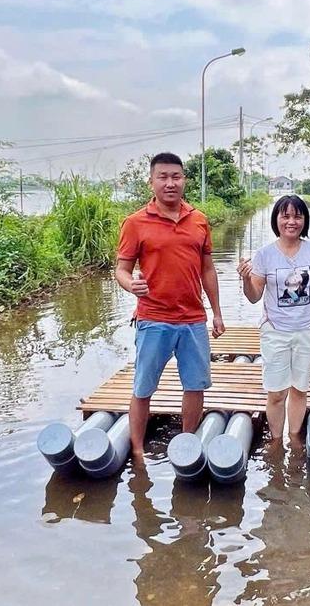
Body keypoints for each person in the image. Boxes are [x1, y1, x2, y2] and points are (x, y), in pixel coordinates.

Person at [115, 152, 225, 461]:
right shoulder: (135, 223)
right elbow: (121, 269)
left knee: (195, 385)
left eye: (176, 176)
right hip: (153, 319)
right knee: (143, 387)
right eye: (162, 177)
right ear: (151, 182)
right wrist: (129, 284)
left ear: (184, 180)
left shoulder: (199, 220)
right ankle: (136, 452)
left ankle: (187, 443)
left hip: (193, 319)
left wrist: (216, 313)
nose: (170, 183)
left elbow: (207, 270)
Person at [237, 195, 310, 441]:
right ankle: (275, 440)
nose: (291, 221)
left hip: (307, 331)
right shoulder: (264, 255)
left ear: (304, 220)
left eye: (297, 216)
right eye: (286, 216)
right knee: (276, 393)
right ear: (276, 220)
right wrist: (246, 279)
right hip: (275, 332)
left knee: (300, 389)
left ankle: (293, 438)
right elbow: (254, 296)